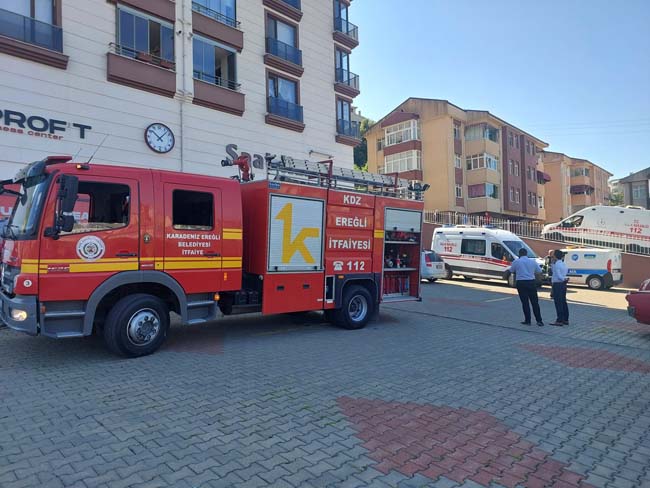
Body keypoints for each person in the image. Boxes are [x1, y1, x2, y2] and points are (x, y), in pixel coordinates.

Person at [509, 248, 544, 326]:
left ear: (519, 254)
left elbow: (511, 270)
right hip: (531, 282)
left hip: (521, 282)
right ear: (526, 253)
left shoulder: (516, 261)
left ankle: (528, 320)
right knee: (535, 302)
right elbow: (539, 271)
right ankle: (539, 320)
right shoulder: (533, 261)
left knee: (525, 302)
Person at [550, 250, 570, 326]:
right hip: (563, 285)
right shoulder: (563, 264)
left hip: (557, 284)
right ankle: (565, 319)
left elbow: (558, 276)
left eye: (553, 255)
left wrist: (563, 279)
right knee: (563, 301)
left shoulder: (557, 265)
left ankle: (559, 320)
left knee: (558, 302)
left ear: (555, 256)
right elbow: (555, 272)